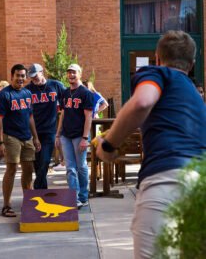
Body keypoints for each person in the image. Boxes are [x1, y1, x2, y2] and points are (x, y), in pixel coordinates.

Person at [96, 30, 206, 258]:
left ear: (157, 58)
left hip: (166, 182)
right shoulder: (195, 96)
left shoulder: (158, 74)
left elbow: (143, 101)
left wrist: (108, 144)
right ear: (192, 64)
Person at [0, 64, 41, 217]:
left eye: (23, 76)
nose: (21, 78)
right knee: (12, 169)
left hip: (27, 137)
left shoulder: (27, 93)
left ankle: (29, 203)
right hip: (11, 136)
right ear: (12, 76)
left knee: (28, 170)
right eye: (18, 75)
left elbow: (30, 117)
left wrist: (35, 137)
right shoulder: (4, 95)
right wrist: (0, 142)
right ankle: (6, 206)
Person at [55, 63, 94, 208]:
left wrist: (85, 138)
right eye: (69, 72)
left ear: (80, 73)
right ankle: (74, 196)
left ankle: (83, 195)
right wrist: (58, 134)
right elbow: (63, 113)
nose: (71, 75)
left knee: (81, 167)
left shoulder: (86, 93)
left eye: (74, 72)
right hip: (66, 135)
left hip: (79, 136)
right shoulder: (65, 93)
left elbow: (88, 117)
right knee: (70, 168)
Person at [26, 63, 66, 189]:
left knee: (45, 161)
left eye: (35, 75)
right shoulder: (28, 90)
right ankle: (42, 192)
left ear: (42, 72)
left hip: (49, 130)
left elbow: (68, 101)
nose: (33, 79)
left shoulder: (55, 85)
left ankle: (37, 189)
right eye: (31, 77)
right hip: (33, 131)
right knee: (37, 164)